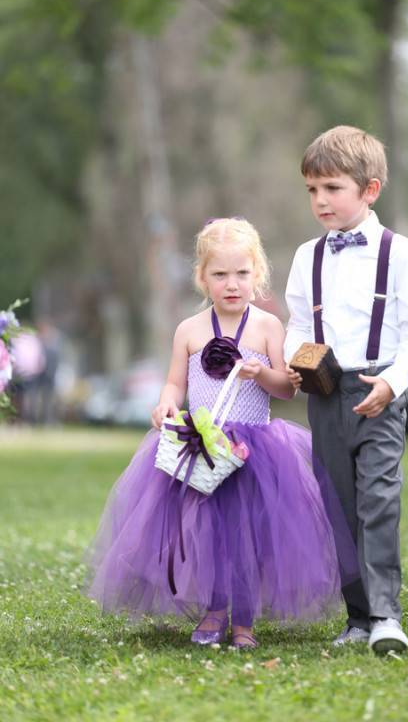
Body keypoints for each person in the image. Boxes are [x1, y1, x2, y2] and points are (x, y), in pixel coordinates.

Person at [85, 218, 358, 649]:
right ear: (202, 277)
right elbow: (177, 382)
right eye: (220, 274)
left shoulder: (267, 327)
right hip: (203, 447)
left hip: (254, 450)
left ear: (258, 275)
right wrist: (166, 403)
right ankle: (214, 610)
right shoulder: (189, 330)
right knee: (206, 534)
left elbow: (287, 389)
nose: (232, 284)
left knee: (247, 535)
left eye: (242, 274)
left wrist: (262, 372)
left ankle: (244, 620)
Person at [285, 126, 408, 654]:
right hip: (325, 394)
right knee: (338, 505)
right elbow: (298, 325)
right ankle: (355, 617)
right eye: (312, 190)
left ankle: (386, 615)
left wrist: (392, 383)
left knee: (378, 500)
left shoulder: (400, 253)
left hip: (379, 391)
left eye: (332, 188)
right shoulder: (308, 257)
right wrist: (295, 359)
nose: (320, 200)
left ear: (369, 190)